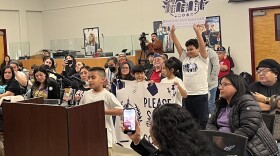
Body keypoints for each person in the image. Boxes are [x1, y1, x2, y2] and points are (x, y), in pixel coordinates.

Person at [207, 74, 279, 156]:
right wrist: (216, 137)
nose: (220, 87)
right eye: (220, 84)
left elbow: (248, 128)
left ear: (237, 87)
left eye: (225, 84)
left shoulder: (246, 101)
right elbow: (210, 123)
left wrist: (225, 141)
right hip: (224, 144)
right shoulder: (221, 104)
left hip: (250, 146)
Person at [126, 104, 212, 156]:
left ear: (161, 132)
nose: (150, 129)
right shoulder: (194, 148)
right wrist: (137, 140)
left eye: (151, 124)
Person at [170, 24, 209, 129]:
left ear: (198, 49)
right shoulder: (185, 58)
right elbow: (177, 45)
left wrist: (198, 33)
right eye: (187, 49)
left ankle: (202, 141)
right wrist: (172, 33)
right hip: (187, 95)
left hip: (200, 95)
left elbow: (202, 45)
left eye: (191, 49)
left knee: (202, 121)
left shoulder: (203, 59)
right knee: (189, 121)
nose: (188, 51)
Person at [79, 67, 123, 156]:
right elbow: (80, 110)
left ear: (102, 80)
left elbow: (120, 110)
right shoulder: (86, 94)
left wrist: (102, 111)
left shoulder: (107, 95)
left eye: (93, 78)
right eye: (89, 78)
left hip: (105, 138)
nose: (90, 80)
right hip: (88, 135)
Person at [203, 35, 220, 115]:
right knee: (203, 105)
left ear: (205, 42)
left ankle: (213, 123)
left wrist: (211, 78)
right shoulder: (197, 52)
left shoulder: (211, 52)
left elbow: (216, 66)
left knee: (210, 104)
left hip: (211, 84)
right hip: (201, 84)